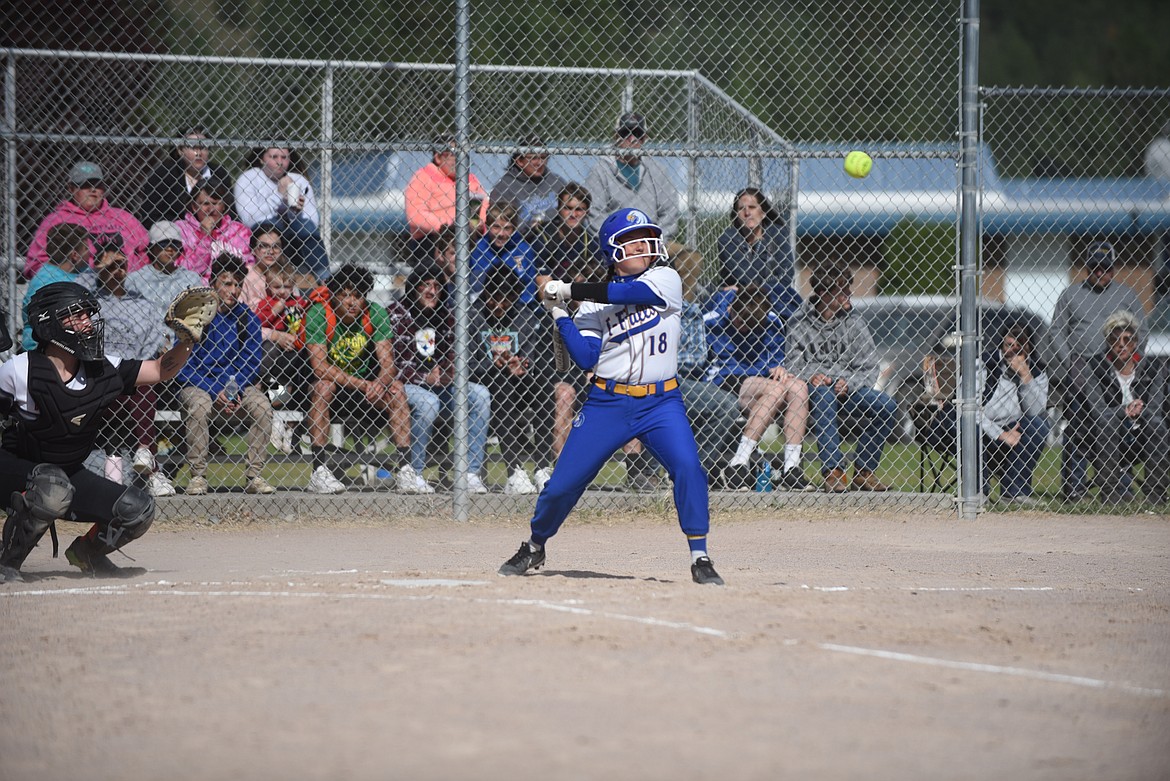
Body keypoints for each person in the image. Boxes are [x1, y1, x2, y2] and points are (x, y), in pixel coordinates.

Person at [498, 207, 724, 586]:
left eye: (646, 239)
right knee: (563, 485)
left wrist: (567, 289)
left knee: (688, 468)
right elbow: (586, 356)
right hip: (608, 403)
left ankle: (700, 556)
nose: (644, 246)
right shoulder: (593, 306)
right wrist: (559, 314)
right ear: (612, 253)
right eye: (631, 242)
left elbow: (629, 292)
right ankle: (536, 544)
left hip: (661, 403)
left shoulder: (666, 279)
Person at [0, 281, 211, 582]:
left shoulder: (101, 367)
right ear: (50, 323)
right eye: (76, 315)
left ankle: (86, 554)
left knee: (137, 509)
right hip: (13, 469)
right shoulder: (20, 370)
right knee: (52, 486)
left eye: (89, 314)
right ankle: (7, 561)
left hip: (68, 473)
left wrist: (187, 340)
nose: (88, 322)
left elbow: (158, 370)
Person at [302, 264, 427, 494]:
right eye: (345, 295)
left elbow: (388, 362)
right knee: (323, 386)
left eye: (358, 296)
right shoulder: (319, 313)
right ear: (334, 295)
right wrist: (363, 384)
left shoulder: (375, 313)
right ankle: (319, 471)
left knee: (396, 389)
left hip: (367, 391)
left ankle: (406, 469)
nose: (352, 302)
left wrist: (380, 383)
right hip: (334, 391)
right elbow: (319, 367)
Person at [785, 263, 896, 492]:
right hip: (817, 387)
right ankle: (833, 471)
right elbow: (793, 362)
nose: (849, 295)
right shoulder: (799, 321)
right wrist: (811, 376)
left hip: (849, 388)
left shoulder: (855, 322)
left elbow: (869, 366)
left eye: (848, 288)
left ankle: (864, 471)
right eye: (842, 291)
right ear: (825, 294)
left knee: (886, 406)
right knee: (824, 396)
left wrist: (849, 383)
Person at [1050, 241, 1144, 500]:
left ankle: (1117, 484)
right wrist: (1069, 360)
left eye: (1106, 268)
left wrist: (1132, 360)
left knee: (1115, 422)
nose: (1101, 272)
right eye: (1095, 267)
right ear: (1087, 268)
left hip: (1113, 370)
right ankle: (1075, 489)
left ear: (1114, 269)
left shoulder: (1127, 295)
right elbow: (1057, 329)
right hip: (1081, 368)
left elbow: (1142, 332)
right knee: (1077, 425)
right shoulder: (1071, 294)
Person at [175, 255, 276, 496]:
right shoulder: (196, 316)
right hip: (199, 383)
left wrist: (232, 390)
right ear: (213, 284)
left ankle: (254, 475)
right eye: (227, 283)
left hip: (235, 385)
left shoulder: (247, 318)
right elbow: (183, 366)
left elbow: (251, 363)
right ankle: (198, 475)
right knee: (198, 406)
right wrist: (215, 390)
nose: (233, 290)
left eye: (238, 284)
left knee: (263, 407)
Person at [387, 262, 491, 494]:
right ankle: (413, 472)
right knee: (428, 402)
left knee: (480, 396)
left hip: (439, 386)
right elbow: (396, 368)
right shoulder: (397, 313)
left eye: (437, 286)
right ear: (414, 287)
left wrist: (450, 371)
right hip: (405, 388)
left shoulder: (446, 316)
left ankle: (470, 474)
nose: (432, 291)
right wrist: (428, 377)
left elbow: (453, 355)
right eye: (425, 285)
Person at [85, 244, 177, 498]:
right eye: (111, 266)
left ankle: (144, 451)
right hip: (99, 373)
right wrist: (98, 272)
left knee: (142, 379)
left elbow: (155, 340)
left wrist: (135, 365)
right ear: (99, 268)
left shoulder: (141, 304)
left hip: (132, 373)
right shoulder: (91, 302)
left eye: (121, 265)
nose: (117, 271)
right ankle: (153, 470)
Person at [705, 283, 813, 491]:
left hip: (762, 377)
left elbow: (775, 357)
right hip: (727, 376)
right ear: (732, 309)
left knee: (798, 388)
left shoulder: (771, 321)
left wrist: (780, 367)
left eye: (752, 326)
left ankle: (791, 468)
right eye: (741, 322)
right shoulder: (713, 320)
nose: (745, 329)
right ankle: (738, 462)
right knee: (775, 390)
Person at [584, 114, 702, 299]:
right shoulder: (601, 170)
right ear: (616, 136)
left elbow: (670, 211)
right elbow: (594, 214)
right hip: (617, 242)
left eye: (637, 134)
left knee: (691, 258)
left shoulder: (656, 170)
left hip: (652, 240)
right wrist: (621, 241)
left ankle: (683, 312)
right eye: (625, 133)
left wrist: (653, 242)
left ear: (645, 138)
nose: (631, 139)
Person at [469, 264, 558, 495]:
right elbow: (466, 363)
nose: (498, 306)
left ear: (514, 297)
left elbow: (531, 358)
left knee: (545, 390)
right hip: (485, 383)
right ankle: (514, 471)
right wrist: (493, 364)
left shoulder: (524, 316)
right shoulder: (473, 315)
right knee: (501, 385)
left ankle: (542, 467)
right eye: (493, 298)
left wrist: (521, 364)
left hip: (517, 382)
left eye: (505, 299)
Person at [1076, 310, 1168, 505]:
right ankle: (1110, 496)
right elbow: (1097, 410)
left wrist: (1140, 411)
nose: (1121, 344)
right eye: (1115, 339)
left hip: (1143, 433)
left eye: (1127, 339)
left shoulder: (1153, 368)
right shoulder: (1095, 367)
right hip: (1107, 435)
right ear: (1108, 343)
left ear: (1136, 342)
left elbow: (1157, 407)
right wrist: (1124, 411)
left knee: (1157, 424)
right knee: (1107, 420)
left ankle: (1156, 496)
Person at [24, 161, 150, 278]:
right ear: (71, 188)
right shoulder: (56, 221)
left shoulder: (123, 217)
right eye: (84, 184)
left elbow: (147, 252)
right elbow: (35, 265)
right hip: (78, 288)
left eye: (97, 184)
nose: (92, 189)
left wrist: (133, 274)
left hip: (126, 287)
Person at [234, 145, 330, 283]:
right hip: (263, 236)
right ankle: (272, 278)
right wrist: (279, 195)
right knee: (271, 224)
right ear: (262, 159)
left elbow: (313, 221)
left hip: (293, 238)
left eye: (284, 157)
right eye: (274, 157)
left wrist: (294, 212)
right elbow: (249, 219)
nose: (280, 162)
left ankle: (325, 279)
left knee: (306, 226)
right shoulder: (248, 178)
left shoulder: (298, 180)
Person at [139, 125, 233, 227]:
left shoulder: (219, 173)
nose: (198, 153)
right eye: (192, 147)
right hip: (176, 232)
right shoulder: (165, 174)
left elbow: (230, 210)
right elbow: (150, 215)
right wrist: (189, 227)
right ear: (180, 150)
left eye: (203, 147)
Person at [404, 132, 490, 242]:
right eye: (454, 154)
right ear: (438, 158)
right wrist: (449, 226)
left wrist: (479, 223)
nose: (460, 159)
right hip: (433, 237)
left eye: (464, 154)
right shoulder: (423, 177)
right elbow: (416, 216)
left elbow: (483, 206)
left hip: (470, 234)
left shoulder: (470, 179)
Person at [21, 224, 91, 352]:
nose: (91, 253)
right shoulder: (50, 283)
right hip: (42, 350)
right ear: (75, 255)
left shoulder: (75, 273)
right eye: (86, 248)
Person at [717, 186, 795, 291]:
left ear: (763, 213)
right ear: (736, 215)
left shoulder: (777, 234)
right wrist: (761, 245)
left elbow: (786, 275)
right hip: (739, 299)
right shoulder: (728, 239)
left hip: (773, 295)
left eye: (752, 207)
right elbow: (746, 278)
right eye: (741, 209)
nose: (747, 213)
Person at [469, 201, 548, 304]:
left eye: (507, 228)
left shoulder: (523, 250)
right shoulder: (478, 249)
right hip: (483, 306)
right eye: (496, 227)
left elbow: (528, 286)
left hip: (517, 307)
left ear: (514, 228)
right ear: (487, 226)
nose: (501, 234)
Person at [529, 182, 607, 285]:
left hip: (577, 294)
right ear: (558, 209)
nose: (573, 214)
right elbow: (543, 283)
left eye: (579, 209)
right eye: (568, 208)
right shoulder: (543, 238)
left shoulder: (590, 244)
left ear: (587, 212)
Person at [489, 133, 567, 233]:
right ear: (519, 161)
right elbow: (501, 225)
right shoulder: (505, 187)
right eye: (533, 158)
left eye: (543, 157)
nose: (539, 163)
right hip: (521, 242)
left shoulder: (557, 182)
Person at [176, 178, 253, 281]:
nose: (211, 210)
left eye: (216, 203)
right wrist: (204, 236)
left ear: (224, 206)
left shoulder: (239, 231)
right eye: (205, 204)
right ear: (194, 206)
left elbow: (249, 266)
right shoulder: (181, 229)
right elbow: (184, 272)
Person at [125, 221, 206, 314]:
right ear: (152, 248)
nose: (169, 249)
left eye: (175, 244)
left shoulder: (191, 279)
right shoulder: (136, 279)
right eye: (163, 244)